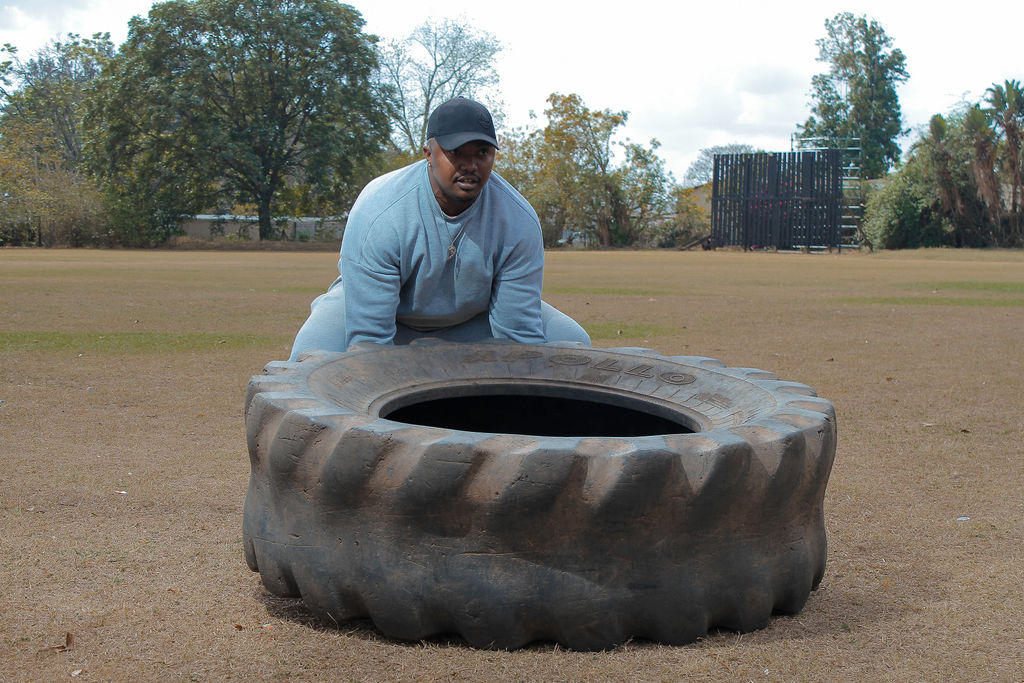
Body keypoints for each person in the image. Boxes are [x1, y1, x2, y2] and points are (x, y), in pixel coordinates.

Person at [288, 96, 590, 361]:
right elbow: (368, 341)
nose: (470, 165)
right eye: (456, 152)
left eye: (482, 152)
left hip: (473, 319)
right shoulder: (380, 209)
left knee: (571, 342)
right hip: (383, 317)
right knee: (309, 356)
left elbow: (518, 339)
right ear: (429, 153)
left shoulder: (517, 220)